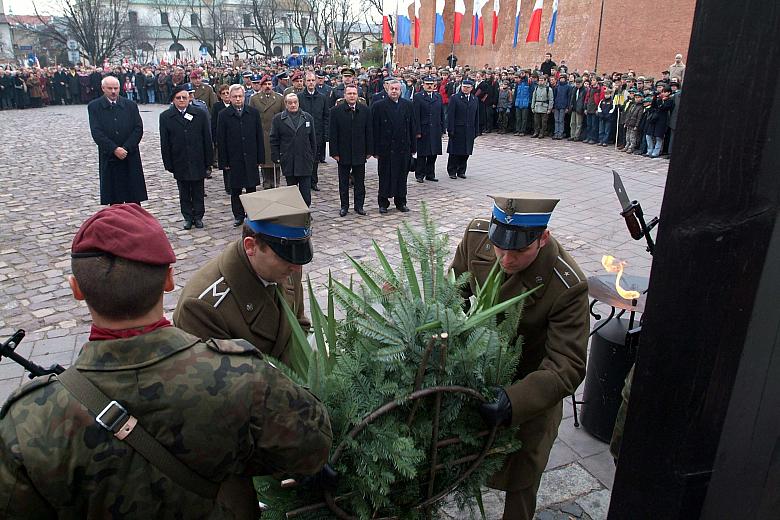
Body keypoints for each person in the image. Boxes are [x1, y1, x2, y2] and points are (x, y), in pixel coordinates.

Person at [0, 203, 332, 518]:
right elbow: (312, 446)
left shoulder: (27, 420)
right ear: (170, 280)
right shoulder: (243, 375)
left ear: (76, 290)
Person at [451, 193, 588, 520]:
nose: (506, 260)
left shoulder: (567, 285)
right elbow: (454, 288)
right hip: (476, 373)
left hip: (529, 387)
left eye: (519, 251)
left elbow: (567, 366)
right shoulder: (476, 238)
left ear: (543, 238)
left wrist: (513, 402)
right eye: (500, 246)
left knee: (523, 473)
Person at [174, 187, 313, 363]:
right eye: (285, 256)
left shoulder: (288, 268)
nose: (296, 266)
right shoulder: (203, 307)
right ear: (251, 246)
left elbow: (299, 327)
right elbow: (221, 380)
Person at [87, 76, 147, 205]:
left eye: (116, 88)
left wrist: (126, 148)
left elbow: (138, 128)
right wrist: (114, 149)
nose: (113, 91)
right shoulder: (94, 106)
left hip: (130, 155)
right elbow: (97, 132)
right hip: (110, 156)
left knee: (133, 196)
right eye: (110, 88)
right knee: (115, 198)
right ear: (103, 88)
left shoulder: (130, 105)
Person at [160, 84, 213, 230]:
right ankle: (188, 217)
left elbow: (207, 138)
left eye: (185, 97)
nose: (182, 100)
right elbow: (164, 142)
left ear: (189, 98)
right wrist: (168, 163)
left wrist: (209, 160)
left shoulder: (199, 114)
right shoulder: (166, 117)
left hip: (197, 158)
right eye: (178, 98)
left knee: (198, 190)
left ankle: (198, 216)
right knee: (184, 191)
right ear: (173, 100)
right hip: (180, 159)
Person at [216, 84, 264, 226]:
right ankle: (238, 215)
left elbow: (259, 136)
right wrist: (223, 161)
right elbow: (221, 139)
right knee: (235, 189)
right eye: (235, 96)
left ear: (244, 97)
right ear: (229, 98)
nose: (238, 99)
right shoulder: (223, 115)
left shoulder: (253, 113)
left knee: (251, 188)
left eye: (240, 96)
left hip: (250, 156)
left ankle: (252, 213)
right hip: (234, 157)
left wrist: (260, 157)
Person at [371, 78, 419, 213]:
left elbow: (412, 127)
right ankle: (383, 203)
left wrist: (413, 147)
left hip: (403, 148)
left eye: (396, 89)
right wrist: (374, 150)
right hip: (385, 148)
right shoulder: (378, 106)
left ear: (400, 90)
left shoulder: (408, 105)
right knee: (385, 176)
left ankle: (401, 202)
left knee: (402, 177)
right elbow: (374, 129)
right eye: (392, 89)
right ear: (387, 89)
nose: (394, 91)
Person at [330, 84, 373, 217]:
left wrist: (369, 150)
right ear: (344, 95)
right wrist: (334, 152)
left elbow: (369, 132)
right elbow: (333, 134)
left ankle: (359, 206)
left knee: (360, 182)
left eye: (354, 94)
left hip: (360, 152)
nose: (352, 96)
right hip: (343, 152)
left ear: (358, 95)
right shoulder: (336, 111)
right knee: (343, 182)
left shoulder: (365, 110)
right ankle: (344, 206)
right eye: (349, 94)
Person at [270, 93, 317, 207]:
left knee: (306, 192)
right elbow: (274, 139)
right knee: (292, 191)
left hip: (304, 160)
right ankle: (294, 212)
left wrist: (312, 157)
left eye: (295, 102)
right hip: (288, 160)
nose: (293, 105)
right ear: (286, 104)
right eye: (290, 103)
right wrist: (276, 156)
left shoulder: (307, 117)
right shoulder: (278, 119)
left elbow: (313, 140)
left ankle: (305, 212)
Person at [249, 75, 285, 189]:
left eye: (269, 84)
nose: (267, 86)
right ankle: (266, 181)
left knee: (276, 159)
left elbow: (283, 116)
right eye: (265, 84)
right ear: (261, 85)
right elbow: (251, 116)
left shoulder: (279, 98)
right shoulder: (254, 99)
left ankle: (276, 181)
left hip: (276, 133)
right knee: (264, 159)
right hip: (262, 133)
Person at [298, 72, 329, 192]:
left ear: (316, 81)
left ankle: (313, 181)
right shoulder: (299, 97)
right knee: (304, 158)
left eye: (312, 80)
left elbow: (326, 116)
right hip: (303, 133)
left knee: (315, 159)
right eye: (308, 80)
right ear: (305, 82)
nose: (311, 83)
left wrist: (326, 134)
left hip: (318, 132)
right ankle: (304, 181)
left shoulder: (322, 97)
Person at [413, 75, 445, 183]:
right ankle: (420, 174)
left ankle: (430, 174)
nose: (429, 86)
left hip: (435, 129)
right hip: (423, 128)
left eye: (431, 84)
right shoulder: (418, 97)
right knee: (422, 154)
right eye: (427, 84)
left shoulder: (438, 96)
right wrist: (417, 130)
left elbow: (441, 114)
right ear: (423, 85)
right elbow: (416, 115)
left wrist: (442, 128)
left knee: (433, 153)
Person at [446, 78, 480, 179]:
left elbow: (476, 116)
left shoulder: (474, 99)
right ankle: (452, 170)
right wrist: (450, 129)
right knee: (455, 151)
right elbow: (450, 115)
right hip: (457, 129)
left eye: (467, 87)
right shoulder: (455, 98)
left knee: (466, 151)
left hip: (469, 129)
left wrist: (477, 130)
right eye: (464, 87)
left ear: (472, 88)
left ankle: (461, 170)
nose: (465, 89)